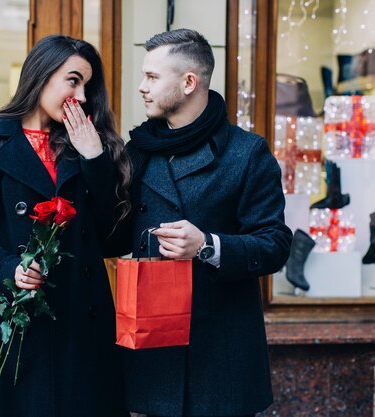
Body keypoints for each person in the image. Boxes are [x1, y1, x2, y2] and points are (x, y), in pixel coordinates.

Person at [0, 35, 130, 417]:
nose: (81, 97)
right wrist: (9, 270)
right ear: (42, 74)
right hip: (18, 318)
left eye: (87, 86)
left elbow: (113, 237)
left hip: (84, 319)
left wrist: (95, 158)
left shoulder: (89, 143)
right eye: (73, 80)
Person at [120, 29, 292, 417]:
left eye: (151, 77)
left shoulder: (246, 152)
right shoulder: (138, 149)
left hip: (220, 357)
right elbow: (111, 234)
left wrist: (208, 245)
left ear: (188, 83)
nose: (141, 88)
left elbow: (276, 244)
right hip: (154, 349)